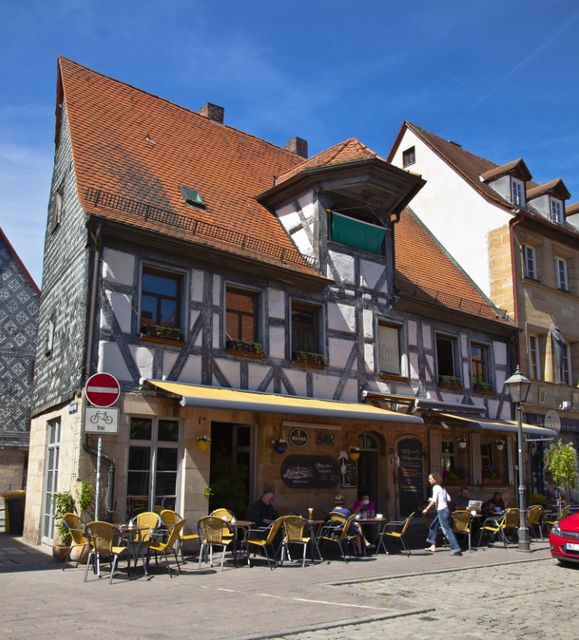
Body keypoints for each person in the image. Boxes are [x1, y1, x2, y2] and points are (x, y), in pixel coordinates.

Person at [423, 472, 463, 556]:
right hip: (444, 510)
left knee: (447, 530)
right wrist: (440, 498)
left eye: (430, 479)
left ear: (435, 479)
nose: (429, 480)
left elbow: (434, 501)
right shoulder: (442, 488)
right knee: (434, 525)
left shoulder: (435, 487)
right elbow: (449, 499)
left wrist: (426, 509)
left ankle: (456, 548)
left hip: (442, 510)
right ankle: (432, 545)